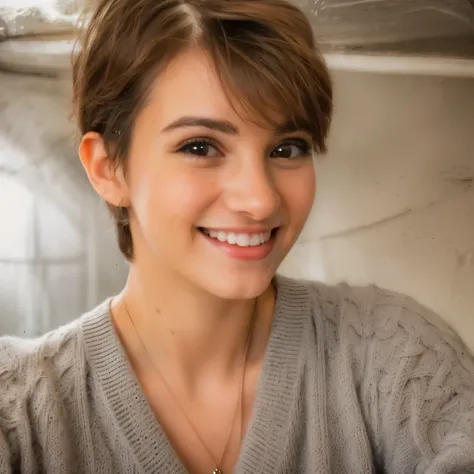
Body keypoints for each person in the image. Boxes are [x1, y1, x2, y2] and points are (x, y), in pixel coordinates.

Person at [1, 0, 474, 472]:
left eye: (287, 148)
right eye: (201, 146)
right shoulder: (18, 415)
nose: (260, 200)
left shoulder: (398, 362)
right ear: (108, 169)